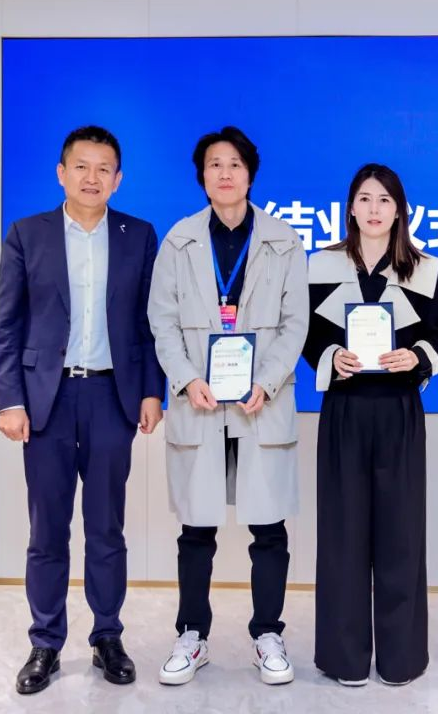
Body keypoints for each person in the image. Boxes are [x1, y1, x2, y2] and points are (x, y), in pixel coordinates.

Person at [0, 125, 165, 694]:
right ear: (61, 173)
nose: (93, 178)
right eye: (82, 166)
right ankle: (45, 642)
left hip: (112, 398)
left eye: (104, 169)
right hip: (46, 399)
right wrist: (10, 399)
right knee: (47, 529)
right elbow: (8, 325)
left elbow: (148, 324)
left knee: (106, 527)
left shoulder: (138, 236)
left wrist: (151, 391)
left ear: (118, 179)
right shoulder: (27, 234)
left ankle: (107, 636)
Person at [147, 126, 309, 686]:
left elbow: (295, 323)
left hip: (260, 404)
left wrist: (267, 381)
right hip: (201, 401)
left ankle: (268, 634)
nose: (224, 173)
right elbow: (162, 321)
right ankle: (192, 636)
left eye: (235, 164)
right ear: (202, 175)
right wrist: (187, 378)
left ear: (250, 174)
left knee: (268, 527)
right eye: (214, 164)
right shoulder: (179, 241)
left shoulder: (284, 241)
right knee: (197, 527)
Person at [303, 163, 438, 686]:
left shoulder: (424, 267)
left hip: (398, 410)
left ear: (400, 210)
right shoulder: (321, 264)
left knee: (401, 536)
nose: (374, 209)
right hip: (344, 408)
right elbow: (307, 335)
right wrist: (330, 356)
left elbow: (435, 334)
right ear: (350, 208)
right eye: (365, 198)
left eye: (385, 200)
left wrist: (416, 358)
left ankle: (400, 658)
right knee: (342, 536)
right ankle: (345, 658)